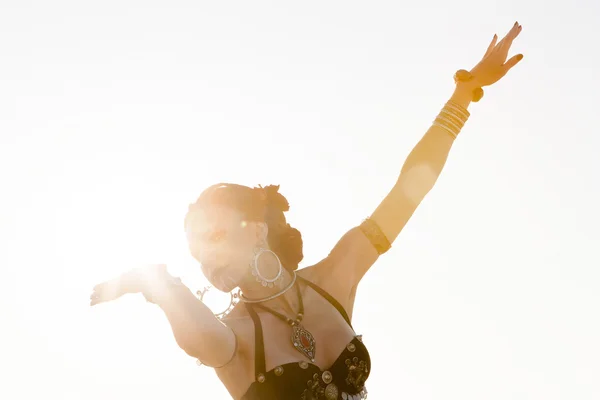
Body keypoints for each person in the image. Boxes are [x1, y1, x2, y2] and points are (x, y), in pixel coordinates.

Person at [90, 22, 524, 400]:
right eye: (197, 253)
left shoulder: (332, 282)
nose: (207, 260)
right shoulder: (236, 334)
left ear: (257, 231)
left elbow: (408, 193)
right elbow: (198, 337)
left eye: (216, 238)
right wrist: (160, 283)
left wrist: (464, 95)